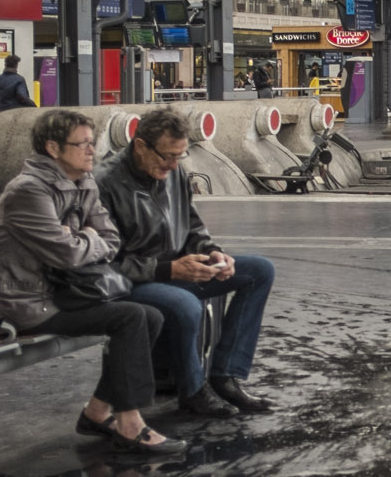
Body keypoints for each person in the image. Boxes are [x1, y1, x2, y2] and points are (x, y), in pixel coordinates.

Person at [0, 109, 185, 455]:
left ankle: (96, 412)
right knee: (132, 317)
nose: (92, 151)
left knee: (149, 315)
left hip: (67, 290)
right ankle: (130, 422)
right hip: (29, 301)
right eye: (82, 144)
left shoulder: (84, 181)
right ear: (53, 148)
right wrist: (84, 238)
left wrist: (79, 237)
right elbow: (66, 255)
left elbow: (111, 240)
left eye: (93, 143)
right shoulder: (28, 192)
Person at [96, 109, 277, 418]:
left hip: (172, 269)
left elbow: (192, 225)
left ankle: (225, 374)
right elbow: (104, 262)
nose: (174, 165)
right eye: (167, 156)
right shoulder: (104, 183)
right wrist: (168, 269)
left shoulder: (172, 170)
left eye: (180, 156)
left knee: (259, 271)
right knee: (184, 304)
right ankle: (192, 390)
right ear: (140, 145)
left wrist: (212, 251)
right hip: (130, 280)